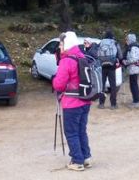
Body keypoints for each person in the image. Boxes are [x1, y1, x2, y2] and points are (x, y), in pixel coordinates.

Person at [52, 31, 92, 171]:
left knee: (71, 132)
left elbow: (59, 84)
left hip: (71, 103)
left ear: (67, 44)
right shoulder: (82, 57)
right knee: (81, 130)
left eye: (61, 44)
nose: (60, 46)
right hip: (85, 100)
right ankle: (86, 157)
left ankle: (77, 161)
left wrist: (54, 80)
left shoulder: (67, 60)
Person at [97, 30, 123, 110]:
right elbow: (120, 55)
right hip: (112, 66)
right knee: (113, 85)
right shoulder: (114, 43)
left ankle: (101, 103)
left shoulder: (101, 42)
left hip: (103, 66)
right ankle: (113, 104)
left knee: (102, 85)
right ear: (112, 36)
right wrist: (119, 60)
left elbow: (97, 54)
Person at [122, 34, 139, 108]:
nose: (126, 40)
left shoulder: (134, 47)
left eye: (127, 39)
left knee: (134, 85)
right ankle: (135, 101)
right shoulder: (132, 47)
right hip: (132, 68)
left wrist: (125, 62)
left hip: (134, 68)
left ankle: (136, 102)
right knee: (133, 85)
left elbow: (134, 59)